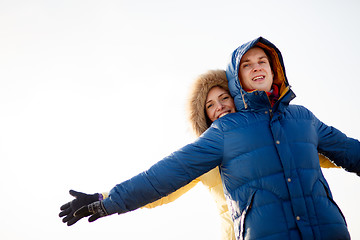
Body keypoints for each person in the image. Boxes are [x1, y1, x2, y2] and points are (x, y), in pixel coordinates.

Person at [60, 37, 359, 239]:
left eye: (262, 61)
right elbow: (163, 178)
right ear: (238, 78)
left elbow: (348, 152)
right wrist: (107, 200)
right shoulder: (224, 135)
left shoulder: (303, 119)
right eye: (247, 64)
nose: (256, 66)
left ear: (274, 69)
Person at [60, 70, 236, 239]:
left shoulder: (261, 129)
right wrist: (103, 198)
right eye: (210, 105)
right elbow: (158, 188)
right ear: (204, 116)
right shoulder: (202, 155)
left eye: (224, 98)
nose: (219, 107)